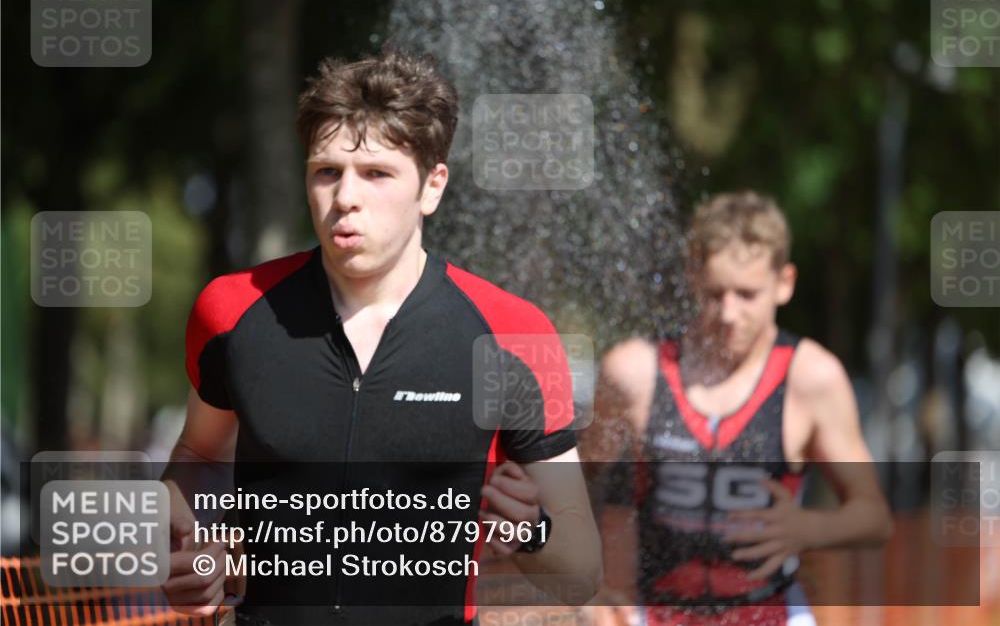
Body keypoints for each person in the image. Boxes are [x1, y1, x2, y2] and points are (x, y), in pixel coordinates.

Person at [160, 49, 602, 626]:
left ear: (432, 186)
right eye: (327, 171)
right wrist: (186, 548)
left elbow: (583, 571)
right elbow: (199, 458)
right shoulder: (233, 310)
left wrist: (532, 533)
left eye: (376, 174)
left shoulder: (511, 334)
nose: (345, 197)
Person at [579, 191, 893, 626]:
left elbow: (874, 517)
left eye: (747, 294)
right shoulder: (635, 373)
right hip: (656, 613)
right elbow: (570, 485)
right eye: (714, 293)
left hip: (774, 613)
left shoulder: (812, 378)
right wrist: (586, 587)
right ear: (692, 279)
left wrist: (808, 529)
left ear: (785, 283)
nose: (729, 314)